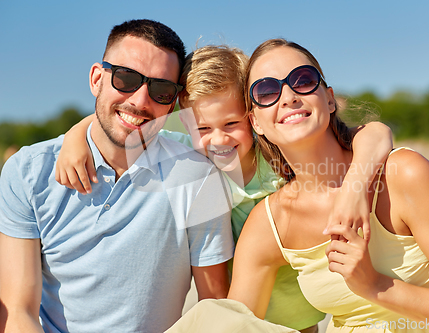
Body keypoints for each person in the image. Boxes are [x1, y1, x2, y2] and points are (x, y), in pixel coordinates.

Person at [55, 44, 394, 332]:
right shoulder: (189, 154)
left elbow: (374, 132)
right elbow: (126, 125)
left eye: (231, 124)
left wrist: (353, 188)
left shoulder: (279, 157)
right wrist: (76, 134)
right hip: (244, 313)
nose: (217, 139)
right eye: (203, 127)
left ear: (253, 117)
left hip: (303, 314)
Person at [223, 38, 429, 332]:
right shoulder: (270, 223)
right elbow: (236, 324)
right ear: (256, 123)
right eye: (266, 91)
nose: (289, 96)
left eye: (303, 80)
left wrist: (376, 286)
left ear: (329, 99)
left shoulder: (403, 175)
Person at [0, 19, 234, 333]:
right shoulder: (28, 172)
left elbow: (213, 306)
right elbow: (18, 312)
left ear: (174, 102)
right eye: (126, 78)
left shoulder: (199, 178)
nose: (139, 101)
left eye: (161, 89)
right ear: (97, 78)